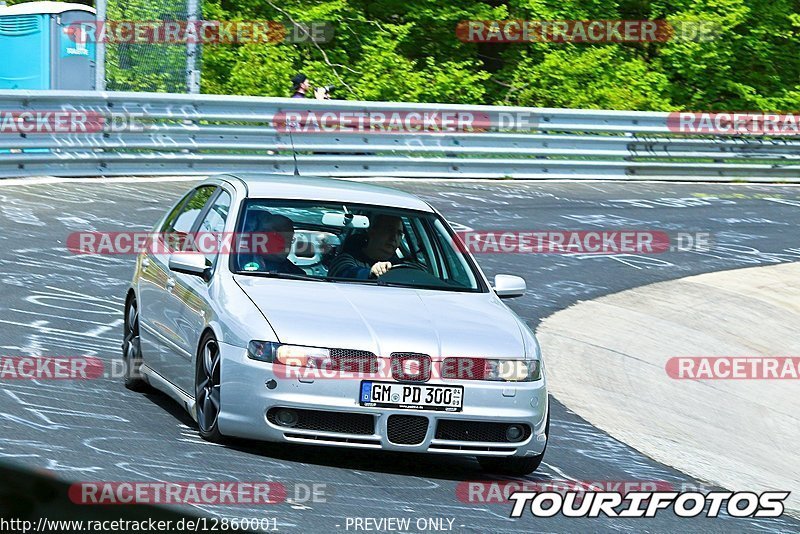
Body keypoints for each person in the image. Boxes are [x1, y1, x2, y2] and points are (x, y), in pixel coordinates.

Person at [328, 214, 403, 279]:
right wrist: (370, 273)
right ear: (372, 232)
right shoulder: (347, 259)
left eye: (399, 233)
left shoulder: (401, 267)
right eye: (389, 230)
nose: (394, 237)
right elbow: (343, 273)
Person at [240, 212, 306, 276]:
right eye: (279, 237)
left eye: (290, 238)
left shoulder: (297, 274)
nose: (287, 243)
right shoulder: (236, 262)